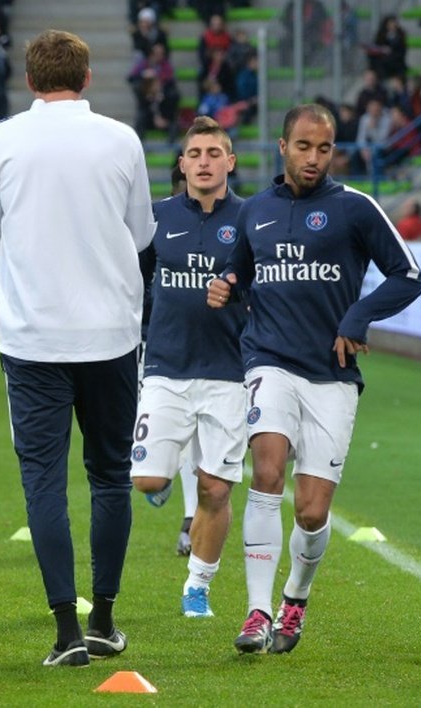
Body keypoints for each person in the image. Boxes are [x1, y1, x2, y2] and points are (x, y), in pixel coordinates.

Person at [0, 29, 156, 667]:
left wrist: (6, 293)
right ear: (88, 77)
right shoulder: (121, 139)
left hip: (33, 338)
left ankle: (66, 633)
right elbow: (142, 233)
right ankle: (103, 620)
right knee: (110, 476)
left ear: (28, 79)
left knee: (43, 481)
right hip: (110, 336)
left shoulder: (3, 139)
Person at [207, 103, 421, 655]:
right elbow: (240, 270)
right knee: (266, 469)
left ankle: (294, 600)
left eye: (324, 148)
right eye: (303, 147)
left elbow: (409, 275)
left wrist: (357, 318)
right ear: (282, 147)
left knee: (311, 510)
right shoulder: (254, 210)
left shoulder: (354, 208)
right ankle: (256, 613)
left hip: (332, 375)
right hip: (268, 360)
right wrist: (226, 283)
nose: (313, 158)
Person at [130, 116, 248, 619]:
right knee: (148, 482)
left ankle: (197, 586)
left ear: (230, 162)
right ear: (181, 164)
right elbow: (131, 284)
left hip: (230, 373)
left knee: (214, 489)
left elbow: (270, 286)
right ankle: (159, 478)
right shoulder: (154, 219)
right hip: (164, 367)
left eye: (213, 153)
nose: (204, 162)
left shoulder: (251, 219)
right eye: (195, 154)